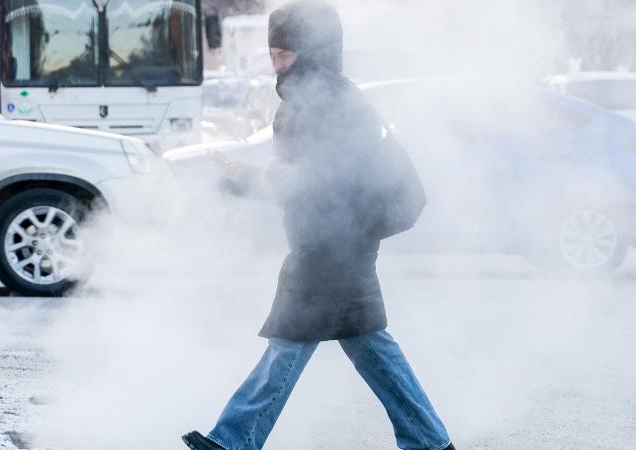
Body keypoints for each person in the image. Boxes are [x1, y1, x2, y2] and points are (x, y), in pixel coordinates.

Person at [182, 2, 455, 449]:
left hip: (331, 246)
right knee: (371, 348)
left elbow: (316, 178)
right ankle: (430, 442)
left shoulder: (323, 100)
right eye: (272, 55)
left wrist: (245, 181)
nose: (278, 65)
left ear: (312, 50)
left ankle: (233, 440)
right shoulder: (324, 95)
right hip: (340, 241)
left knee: (288, 342)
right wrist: (251, 181)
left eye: (284, 54)